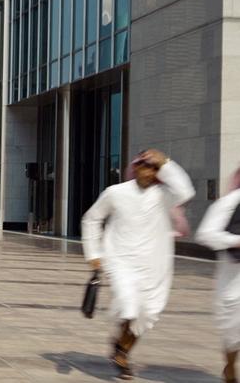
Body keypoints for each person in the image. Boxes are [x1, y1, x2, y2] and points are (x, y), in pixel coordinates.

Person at [81, 149, 195, 380]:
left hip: (155, 263)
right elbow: (92, 218)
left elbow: (186, 190)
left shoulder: (164, 195)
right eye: (145, 165)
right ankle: (121, 353)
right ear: (135, 167)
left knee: (147, 313)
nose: (149, 171)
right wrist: (93, 253)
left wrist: (167, 161)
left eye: (154, 167)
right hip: (121, 260)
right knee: (129, 304)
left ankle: (121, 349)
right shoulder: (115, 192)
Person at [195, 167, 240, 383]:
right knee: (233, 333)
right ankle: (230, 367)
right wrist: (235, 241)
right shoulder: (229, 202)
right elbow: (206, 234)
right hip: (234, 280)